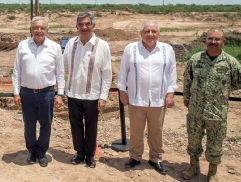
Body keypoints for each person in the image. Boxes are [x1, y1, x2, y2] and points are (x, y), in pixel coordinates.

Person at [117, 21, 177, 175]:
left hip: (158, 100)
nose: (150, 34)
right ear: (141, 33)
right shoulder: (131, 49)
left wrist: (170, 93)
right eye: (147, 31)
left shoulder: (167, 49)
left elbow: (171, 73)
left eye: (154, 31)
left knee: (156, 131)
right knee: (136, 131)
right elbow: (123, 70)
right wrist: (122, 90)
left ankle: (155, 158)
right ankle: (135, 157)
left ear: (158, 33)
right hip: (136, 99)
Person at [182, 29, 241, 182]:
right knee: (193, 140)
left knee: (215, 143)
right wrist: (187, 97)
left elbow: (237, 81)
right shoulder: (195, 59)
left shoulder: (230, 62)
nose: (213, 42)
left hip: (217, 111)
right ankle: (193, 167)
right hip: (195, 109)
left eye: (217, 39)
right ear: (205, 41)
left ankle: (212, 172)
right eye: (210, 38)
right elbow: (188, 80)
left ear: (223, 42)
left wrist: (222, 91)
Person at [12, 16, 65, 167]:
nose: (39, 30)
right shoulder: (22, 46)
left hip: (46, 93)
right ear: (31, 30)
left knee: (45, 124)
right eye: (36, 28)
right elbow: (16, 70)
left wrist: (59, 94)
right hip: (26, 93)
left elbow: (60, 73)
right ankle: (31, 150)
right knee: (28, 124)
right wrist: (16, 92)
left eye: (42, 28)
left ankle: (41, 152)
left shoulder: (54, 48)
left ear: (47, 30)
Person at [63, 12, 112, 168]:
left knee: (91, 127)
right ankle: (79, 153)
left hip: (92, 96)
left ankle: (90, 156)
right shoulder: (71, 44)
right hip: (73, 94)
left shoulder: (102, 45)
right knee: (75, 126)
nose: (84, 27)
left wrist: (103, 96)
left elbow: (107, 73)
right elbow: (62, 65)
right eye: (81, 24)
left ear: (93, 26)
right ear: (76, 26)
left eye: (87, 24)